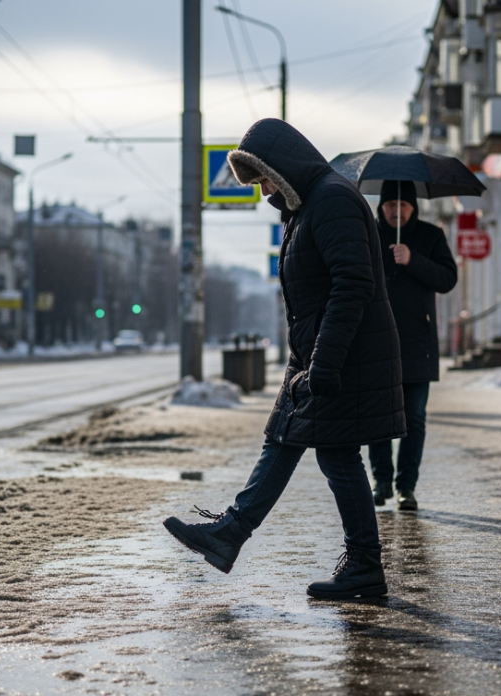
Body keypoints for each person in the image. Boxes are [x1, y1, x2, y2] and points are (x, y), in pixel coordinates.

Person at [163, 118, 405, 601]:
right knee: (282, 438)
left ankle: (362, 566)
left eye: (265, 177)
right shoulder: (305, 207)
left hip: (340, 356)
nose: (264, 190)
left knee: (336, 457)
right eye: (257, 183)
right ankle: (232, 533)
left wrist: (326, 362)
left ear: (285, 165)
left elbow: (351, 285)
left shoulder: (332, 200)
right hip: (316, 354)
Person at [368, 180, 458, 512]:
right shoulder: (369, 234)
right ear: (381, 206)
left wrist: (412, 259)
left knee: (414, 419)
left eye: (403, 205)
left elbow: (448, 279)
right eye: (390, 204)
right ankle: (382, 483)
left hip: (418, 342)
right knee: (376, 418)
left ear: (413, 207)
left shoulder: (431, 236)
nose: (395, 210)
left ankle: (406, 487)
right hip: (376, 343)